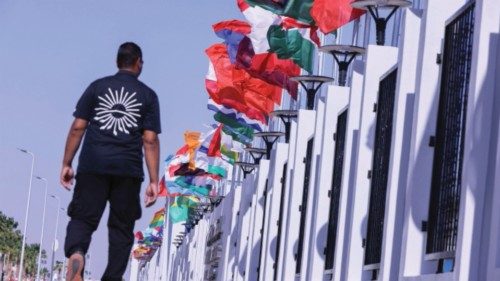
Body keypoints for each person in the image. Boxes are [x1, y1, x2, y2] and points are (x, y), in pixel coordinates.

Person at [60, 42, 161, 281]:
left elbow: (78, 127)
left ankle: (76, 252)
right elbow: (150, 140)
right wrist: (154, 180)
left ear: (118, 62)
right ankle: (112, 277)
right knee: (121, 228)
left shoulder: (97, 87)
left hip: (93, 164)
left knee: (83, 218)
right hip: (128, 169)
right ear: (138, 63)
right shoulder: (148, 95)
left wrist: (67, 163)